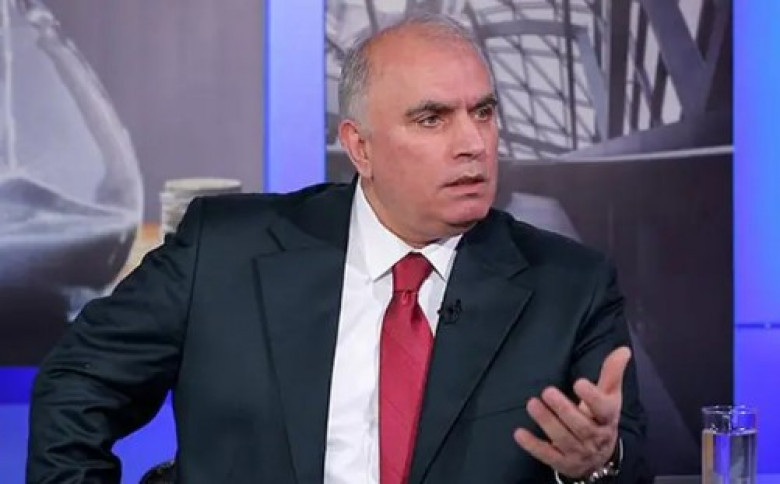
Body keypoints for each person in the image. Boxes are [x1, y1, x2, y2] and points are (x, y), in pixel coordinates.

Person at [27, 12, 648, 484]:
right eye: (432, 118)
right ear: (360, 147)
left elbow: (628, 464)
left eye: (482, 113)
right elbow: (77, 386)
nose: (473, 143)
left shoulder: (569, 286)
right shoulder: (224, 251)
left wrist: (594, 466)